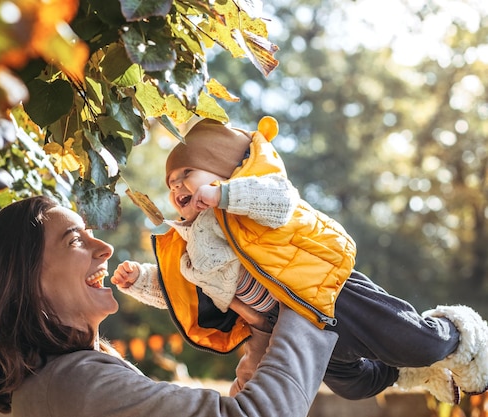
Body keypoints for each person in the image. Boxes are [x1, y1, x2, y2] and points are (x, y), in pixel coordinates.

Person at [112, 117, 488, 404]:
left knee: (415, 341)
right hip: (288, 322)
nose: (177, 186)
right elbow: (183, 287)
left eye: (186, 174)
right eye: (171, 183)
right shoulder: (193, 240)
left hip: (326, 289)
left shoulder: (249, 197)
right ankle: (414, 373)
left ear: (223, 168)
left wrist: (223, 195)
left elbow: (279, 203)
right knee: (353, 384)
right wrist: (142, 280)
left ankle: (464, 332)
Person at [0, 195, 339, 416]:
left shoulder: (59, 383)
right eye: (74, 240)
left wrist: (267, 331)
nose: (105, 247)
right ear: (25, 282)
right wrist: (306, 303)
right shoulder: (79, 383)